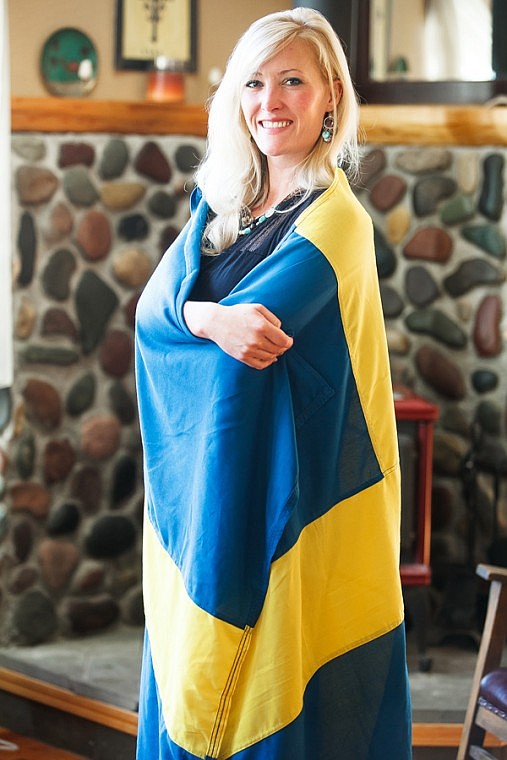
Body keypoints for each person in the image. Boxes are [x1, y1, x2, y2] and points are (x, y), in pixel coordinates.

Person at [135, 7, 412, 759]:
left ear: (329, 95)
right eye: (254, 82)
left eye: (292, 80)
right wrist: (203, 318)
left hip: (291, 498)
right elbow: (150, 316)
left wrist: (198, 319)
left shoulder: (334, 221)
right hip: (210, 489)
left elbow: (252, 335)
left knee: (279, 692)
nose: (270, 101)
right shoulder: (217, 207)